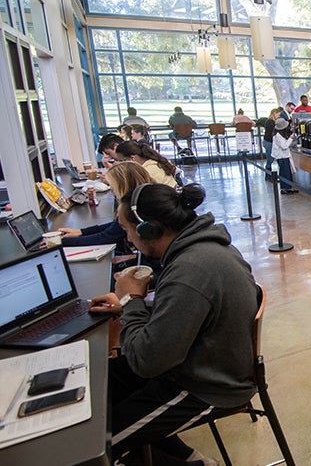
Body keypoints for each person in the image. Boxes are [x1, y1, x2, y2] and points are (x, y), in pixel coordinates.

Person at [88, 183, 258, 465]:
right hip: (203, 363)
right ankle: (188, 457)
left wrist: (131, 300)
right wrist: (133, 305)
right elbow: (186, 310)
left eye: (127, 230)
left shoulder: (190, 270)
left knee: (96, 448)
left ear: (148, 230)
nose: (128, 239)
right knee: (105, 378)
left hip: (208, 386)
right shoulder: (202, 248)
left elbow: (146, 361)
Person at [59, 162, 154, 247]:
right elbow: (115, 226)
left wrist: (61, 242)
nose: (112, 190)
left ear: (123, 186)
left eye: (112, 187)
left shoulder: (133, 208)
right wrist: (81, 232)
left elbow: (107, 237)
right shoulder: (141, 198)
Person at [272, 116, 297, 194]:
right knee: (284, 173)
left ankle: (289, 187)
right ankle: (285, 188)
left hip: (284, 156)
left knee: (287, 172)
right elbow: (284, 146)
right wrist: (290, 138)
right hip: (281, 157)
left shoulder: (279, 135)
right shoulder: (278, 136)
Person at [262, 108, 280, 175]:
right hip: (269, 142)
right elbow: (272, 133)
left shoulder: (270, 121)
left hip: (269, 141)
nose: (279, 116)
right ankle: (268, 174)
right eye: (278, 114)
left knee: (270, 158)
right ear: (274, 114)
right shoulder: (270, 122)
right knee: (270, 159)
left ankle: (268, 174)